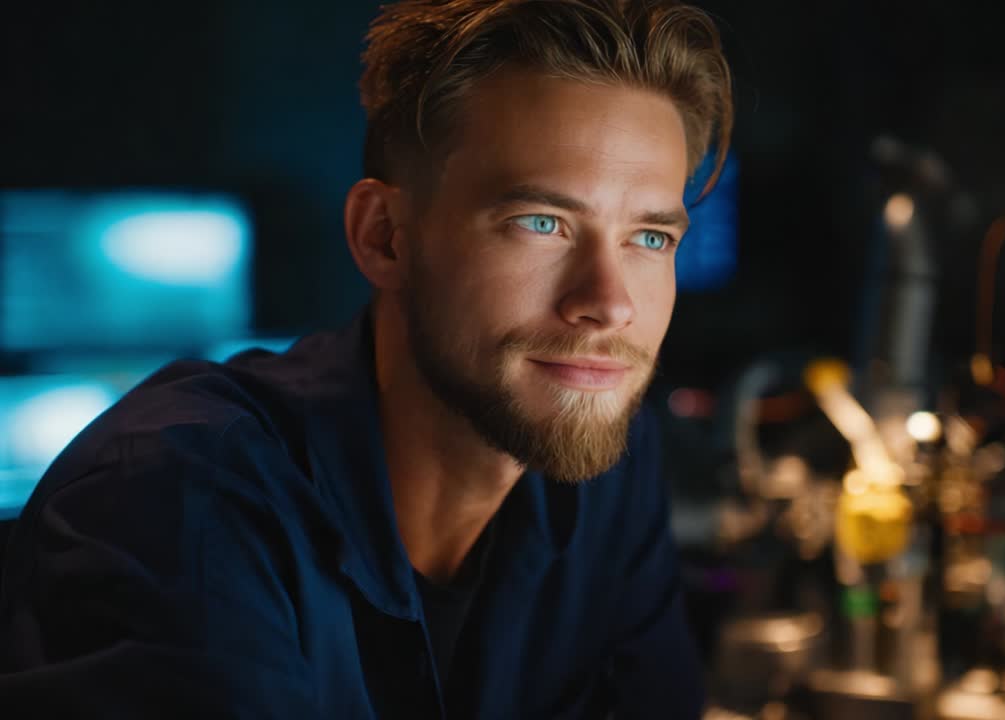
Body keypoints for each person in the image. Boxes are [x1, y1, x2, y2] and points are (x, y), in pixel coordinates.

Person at [0, 1, 733, 717]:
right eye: (541, 222)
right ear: (383, 236)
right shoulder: (173, 499)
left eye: (650, 238)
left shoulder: (603, 466)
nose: (610, 303)